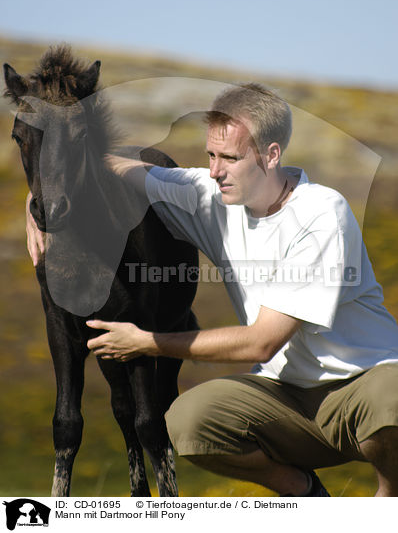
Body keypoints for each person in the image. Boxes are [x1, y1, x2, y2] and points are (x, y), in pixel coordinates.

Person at [27, 83, 398, 497]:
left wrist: (148, 342)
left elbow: (261, 343)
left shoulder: (322, 214)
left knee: (394, 401)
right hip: (286, 396)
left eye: (230, 158)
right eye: (210, 155)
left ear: (271, 155)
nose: (215, 170)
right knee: (188, 422)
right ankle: (302, 490)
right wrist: (37, 199)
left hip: (364, 387)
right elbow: (102, 165)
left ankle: (387, 502)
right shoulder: (208, 194)